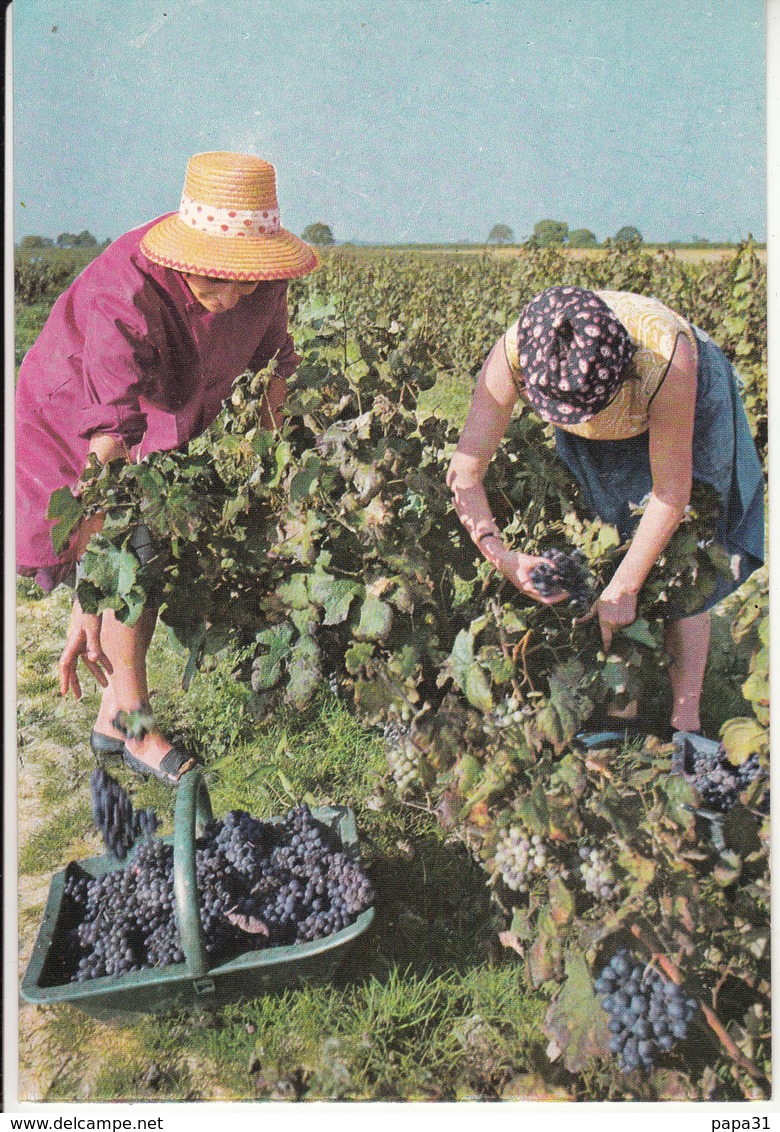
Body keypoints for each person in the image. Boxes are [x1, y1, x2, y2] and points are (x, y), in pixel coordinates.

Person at [16, 151, 320, 783]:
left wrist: (272, 461)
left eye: (248, 278)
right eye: (221, 276)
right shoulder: (122, 293)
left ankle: (113, 716)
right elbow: (108, 451)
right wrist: (91, 589)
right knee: (138, 540)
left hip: (159, 412)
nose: (237, 293)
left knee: (154, 546)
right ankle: (135, 726)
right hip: (75, 408)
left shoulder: (263, 283)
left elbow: (274, 369)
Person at [447, 285, 764, 737]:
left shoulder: (667, 360)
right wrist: (504, 558)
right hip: (598, 391)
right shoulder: (519, 353)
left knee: (691, 554)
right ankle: (622, 709)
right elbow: (465, 472)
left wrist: (626, 587)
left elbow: (672, 493)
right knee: (608, 534)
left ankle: (686, 719)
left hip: (689, 399)